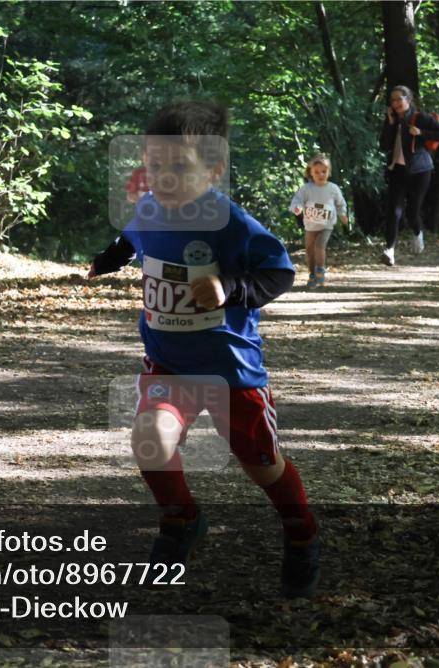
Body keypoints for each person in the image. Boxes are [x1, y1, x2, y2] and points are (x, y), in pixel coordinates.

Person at [88, 100, 320, 598]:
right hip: (168, 365)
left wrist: (230, 288)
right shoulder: (150, 207)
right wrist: (110, 258)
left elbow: (279, 272)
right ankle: (181, 521)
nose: (163, 178)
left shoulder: (231, 223)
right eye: (154, 166)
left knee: (262, 466)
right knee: (149, 437)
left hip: (231, 376)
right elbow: (133, 237)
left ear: (214, 169)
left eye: (179, 167)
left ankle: (301, 532)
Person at [378, 85, 439, 266]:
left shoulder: (421, 118)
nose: (395, 103)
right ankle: (390, 250)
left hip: (420, 171)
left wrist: (422, 133)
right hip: (397, 170)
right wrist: (391, 124)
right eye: (392, 100)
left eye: (399, 99)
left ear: (408, 100)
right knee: (393, 211)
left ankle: (417, 232)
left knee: (412, 212)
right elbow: (383, 145)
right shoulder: (392, 119)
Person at [289, 154, 349, 287]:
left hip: (326, 225)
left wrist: (342, 215)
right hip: (310, 225)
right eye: (316, 172)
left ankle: (320, 270)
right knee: (310, 251)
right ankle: (312, 274)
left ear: (329, 172)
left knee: (319, 246)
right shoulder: (306, 189)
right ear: (310, 173)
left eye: (324, 171)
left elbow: (340, 204)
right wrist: (297, 208)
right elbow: (296, 200)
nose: (321, 174)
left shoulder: (333, 189)